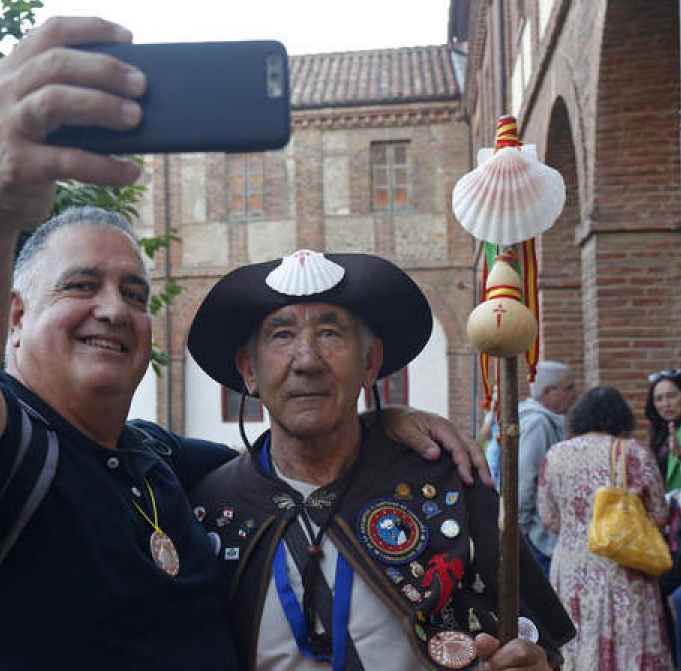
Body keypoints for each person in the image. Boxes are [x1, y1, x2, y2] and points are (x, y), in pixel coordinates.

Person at [0, 16, 489, 668]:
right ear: (14, 316)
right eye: (83, 284)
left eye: (135, 293)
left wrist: (375, 415)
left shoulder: (153, 458)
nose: (114, 309)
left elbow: (288, 445)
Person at [187, 249, 575, 670]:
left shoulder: (450, 480)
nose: (307, 360)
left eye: (331, 333)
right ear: (249, 370)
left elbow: (539, 651)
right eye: (281, 336)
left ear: (370, 363)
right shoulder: (210, 505)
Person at [538, 386, 672, 671]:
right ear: (619, 417)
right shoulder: (633, 453)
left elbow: (547, 516)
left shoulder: (555, 455)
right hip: (622, 565)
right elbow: (659, 515)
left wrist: (578, 530)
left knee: (576, 641)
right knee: (628, 642)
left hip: (570, 567)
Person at [646, 368, 681, 668]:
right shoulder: (662, 432)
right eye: (659, 398)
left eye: (672, 396)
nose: (666, 404)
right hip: (668, 528)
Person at [517, 360, 577, 576]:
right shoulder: (537, 424)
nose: (575, 394)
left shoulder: (547, 420)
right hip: (536, 535)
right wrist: (521, 528)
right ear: (548, 391)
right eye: (569, 388)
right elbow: (525, 477)